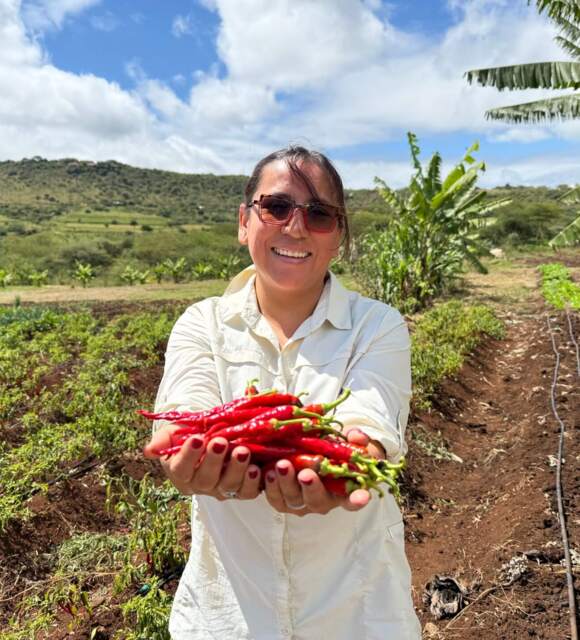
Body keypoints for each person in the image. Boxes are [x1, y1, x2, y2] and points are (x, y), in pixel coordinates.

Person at [144, 146, 421, 639]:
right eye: (276, 207)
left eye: (319, 214)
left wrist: (358, 455)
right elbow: (185, 412)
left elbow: (369, 423)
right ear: (244, 222)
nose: (295, 227)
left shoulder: (377, 326)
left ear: (338, 235)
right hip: (228, 618)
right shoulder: (202, 324)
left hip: (356, 615)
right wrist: (177, 445)